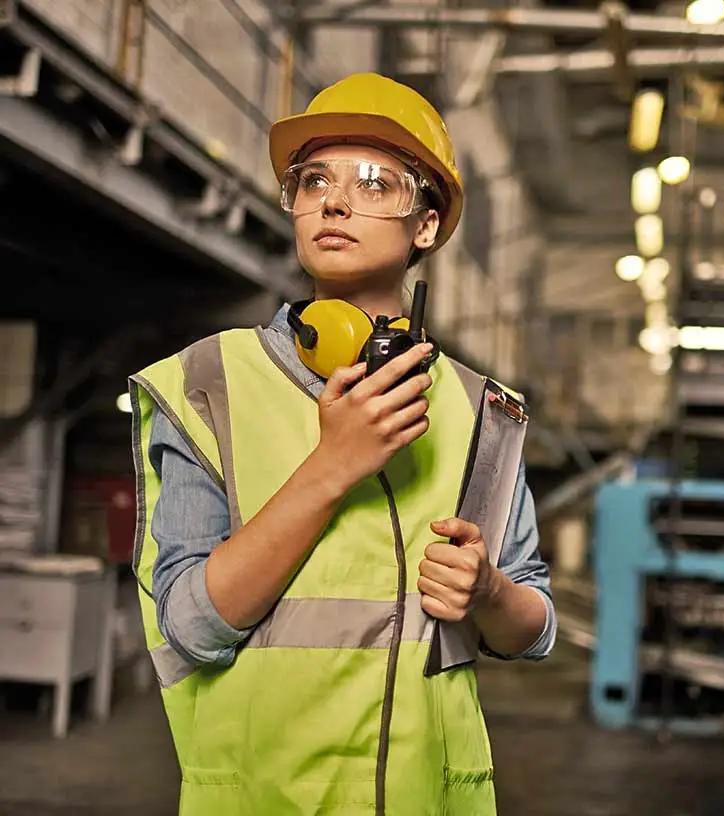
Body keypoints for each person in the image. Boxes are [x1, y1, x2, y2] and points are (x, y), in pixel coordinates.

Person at [129, 72, 555, 816]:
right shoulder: (209, 385)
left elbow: (534, 629)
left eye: (373, 183)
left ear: (424, 225)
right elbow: (192, 628)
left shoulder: (480, 410)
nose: (333, 200)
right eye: (313, 180)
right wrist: (330, 467)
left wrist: (488, 591)